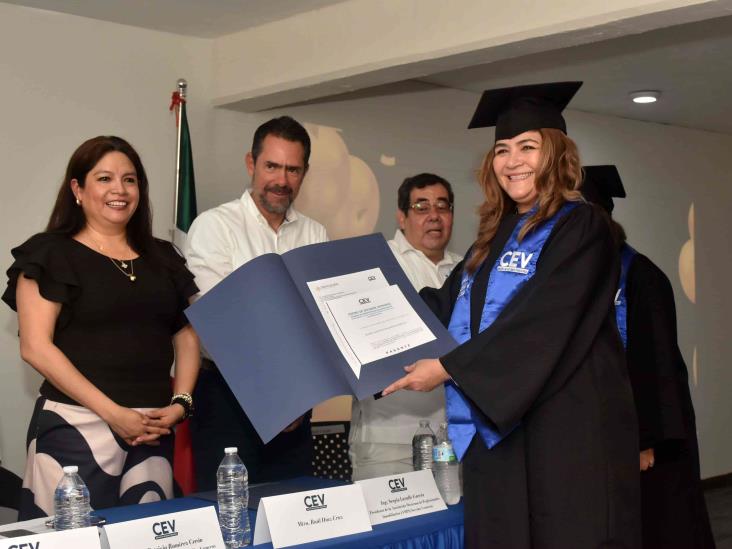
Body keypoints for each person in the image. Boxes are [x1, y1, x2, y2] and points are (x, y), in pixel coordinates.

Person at [382, 82, 640, 547]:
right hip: (500, 431)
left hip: (564, 430)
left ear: (557, 154)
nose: (512, 160)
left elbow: (543, 319)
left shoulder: (584, 227)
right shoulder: (494, 236)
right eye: (502, 149)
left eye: (527, 147)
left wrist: (447, 368)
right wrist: (365, 312)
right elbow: (445, 304)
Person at [2, 136, 200, 519]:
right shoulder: (49, 254)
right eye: (104, 178)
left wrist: (182, 403)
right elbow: (35, 347)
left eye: (130, 179)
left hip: (152, 429)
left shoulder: (164, 257)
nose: (119, 190)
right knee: (69, 540)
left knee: (149, 538)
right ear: (78, 189)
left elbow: (186, 333)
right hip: (76, 427)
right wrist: (112, 412)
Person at [184, 115, 328, 489]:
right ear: (251, 163)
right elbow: (222, 325)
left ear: (305, 173)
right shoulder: (214, 227)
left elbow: (322, 322)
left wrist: (295, 396)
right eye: (272, 166)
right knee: (230, 520)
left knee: (296, 519)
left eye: (293, 169)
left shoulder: (316, 233)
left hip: (298, 403)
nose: (281, 180)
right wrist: (278, 396)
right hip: (228, 400)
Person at [583, 165, 715, 548]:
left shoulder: (641, 276)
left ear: (604, 219)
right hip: (609, 431)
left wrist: (644, 440)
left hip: (653, 435)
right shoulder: (585, 276)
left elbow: (656, 366)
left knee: (662, 525)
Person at [350, 173, 461, 480]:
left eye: (443, 206)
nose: (434, 216)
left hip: (454, 435)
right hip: (388, 437)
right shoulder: (375, 263)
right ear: (402, 216)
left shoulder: (468, 266)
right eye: (421, 207)